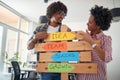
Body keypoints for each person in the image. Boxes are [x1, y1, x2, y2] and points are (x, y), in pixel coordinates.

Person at [27, 1, 71, 80]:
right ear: (52, 13)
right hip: (46, 68)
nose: (62, 16)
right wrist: (35, 38)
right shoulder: (40, 29)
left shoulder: (65, 30)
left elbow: (70, 49)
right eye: (60, 13)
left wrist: (69, 38)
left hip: (61, 67)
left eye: (64, 15)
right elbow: (28, 46)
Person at [76, 5, 112, 80]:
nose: (87, 23)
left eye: (90, 22)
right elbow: (77, 57)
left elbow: (108, 58)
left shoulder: (106, 39)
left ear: (98, 25)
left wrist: (91, 42)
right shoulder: (83, 37)